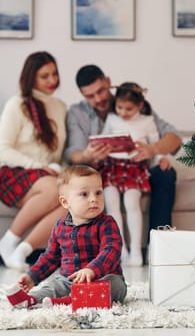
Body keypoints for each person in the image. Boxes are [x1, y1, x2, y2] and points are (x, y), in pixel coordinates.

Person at [65, 65, 182, 250]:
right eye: (90, 96)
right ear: (82, 94)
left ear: (108, 83)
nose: (98, 99)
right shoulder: (77, 113)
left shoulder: (130, 100)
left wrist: (154, 149)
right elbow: (73, 153)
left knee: (165, 173)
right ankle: (109, 250)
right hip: (101, 170)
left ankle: (158, 247)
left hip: (136, 168)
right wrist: (87, 155)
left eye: (101, 91)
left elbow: (174, 137)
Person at [0, 51, 68, 271]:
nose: (53, 80)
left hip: (47, 174)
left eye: (55, 74)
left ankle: (22, 250)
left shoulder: (60, 107)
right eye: (45, 76)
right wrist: (37, 166)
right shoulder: (17, 105)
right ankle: (8, 241)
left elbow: (57, 154)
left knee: (70, 202)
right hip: (18, 173)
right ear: (31, 78)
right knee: (54, 189)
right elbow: (0, 150)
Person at [5, 165, 127, 308]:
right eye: (84, 194)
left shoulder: (107, 223)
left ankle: (68, 302)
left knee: (115, 286)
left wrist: (92, 269)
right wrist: (32, 277)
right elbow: (50, 257)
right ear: (65, 202)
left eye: (98, 192)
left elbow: (111, 250)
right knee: (53, 286)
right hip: (69, 281)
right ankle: (30, 300)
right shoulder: (60, 226)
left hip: (101, 278)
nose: (94, 199)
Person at [98, 82, 172, 266]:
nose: (123, 112)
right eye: (119, 107)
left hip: (134, 168)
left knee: (132, 203)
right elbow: (102, 138)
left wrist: (161, 156)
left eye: (128, 109)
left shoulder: (147, 121)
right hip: (112, 167)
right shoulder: (112, 119)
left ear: (139, 105)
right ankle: (120, 250)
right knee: (111, 203)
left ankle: (137, 251)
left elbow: (155, 144)